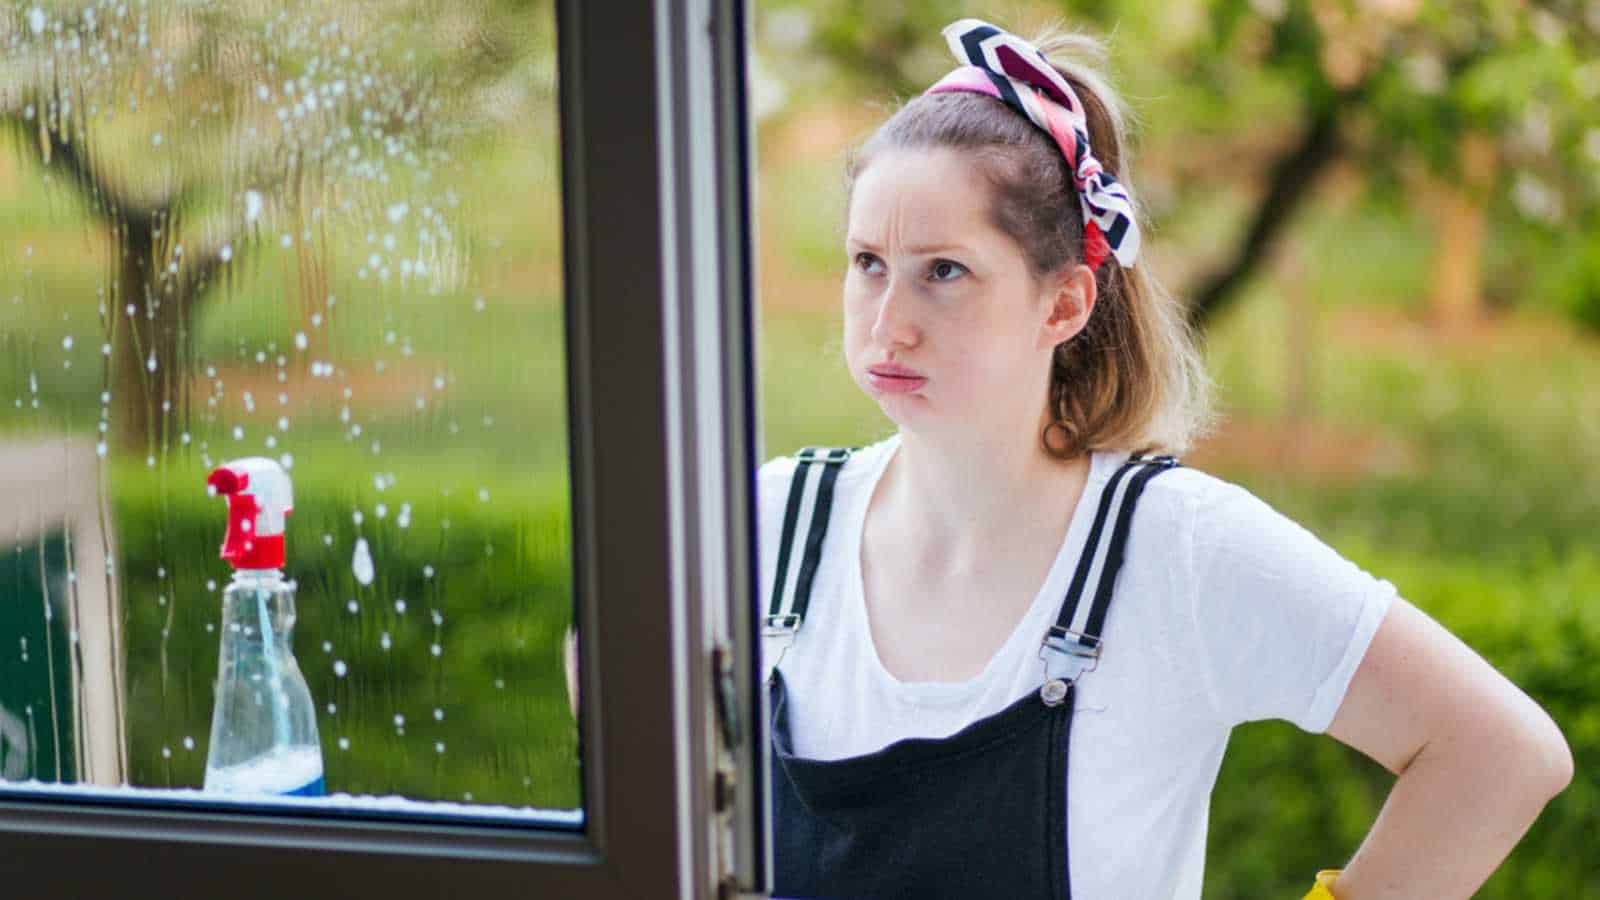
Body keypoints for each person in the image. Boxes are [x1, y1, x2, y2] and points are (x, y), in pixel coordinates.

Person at [755, 17, 1573, 900]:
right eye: (867, 262)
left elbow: (1501, 754)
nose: (888, 323)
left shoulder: (1174, 549)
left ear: (1064, 303)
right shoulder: (771, 523)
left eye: (944, 271)